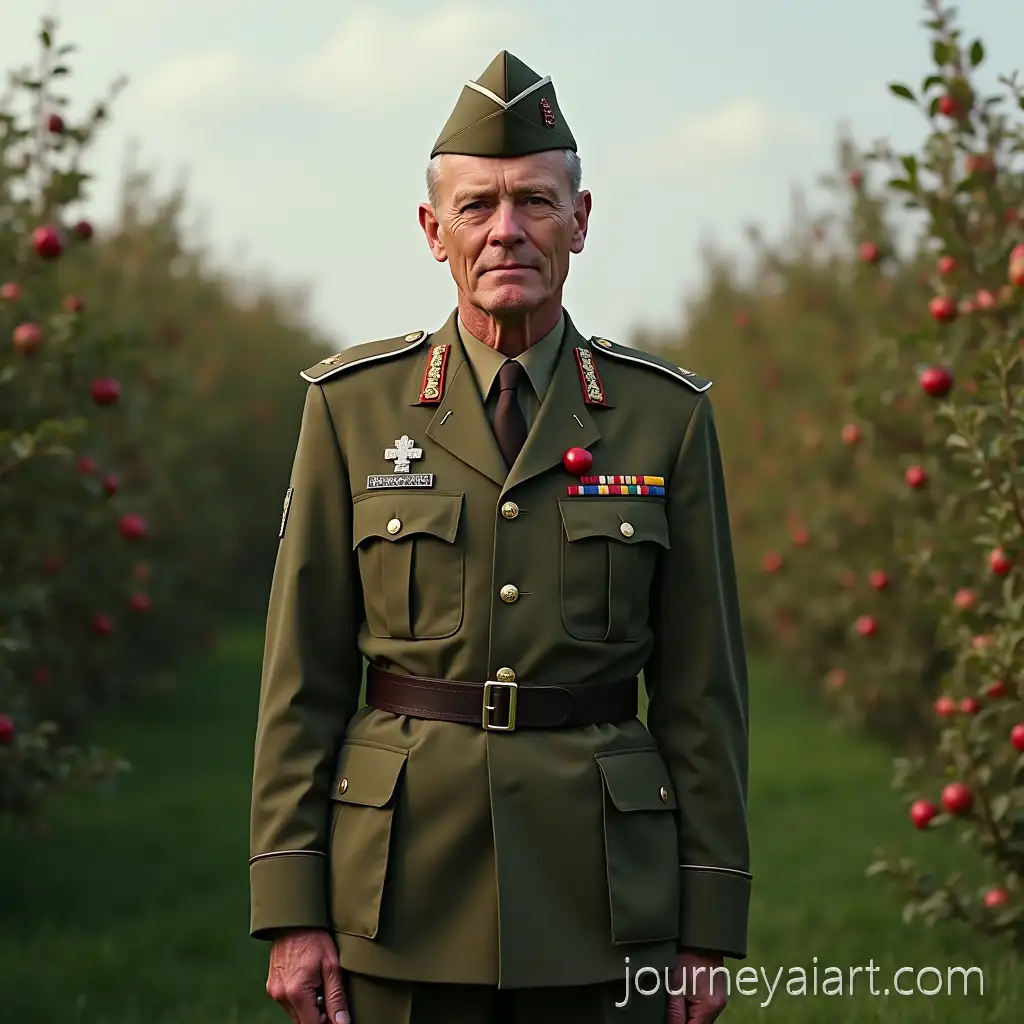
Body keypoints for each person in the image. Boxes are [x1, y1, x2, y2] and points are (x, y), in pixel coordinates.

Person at [248, 50, 750, 1024]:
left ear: (582, 220)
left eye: (533, 201)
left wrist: (705, 921)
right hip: (395, 899)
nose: (506, 229)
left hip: (605, 898)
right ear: (434, 232)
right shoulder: (353, 408)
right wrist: (290, 911)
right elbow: (299, 678)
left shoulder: (663, 417)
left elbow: (702, 691)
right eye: (477, 206)